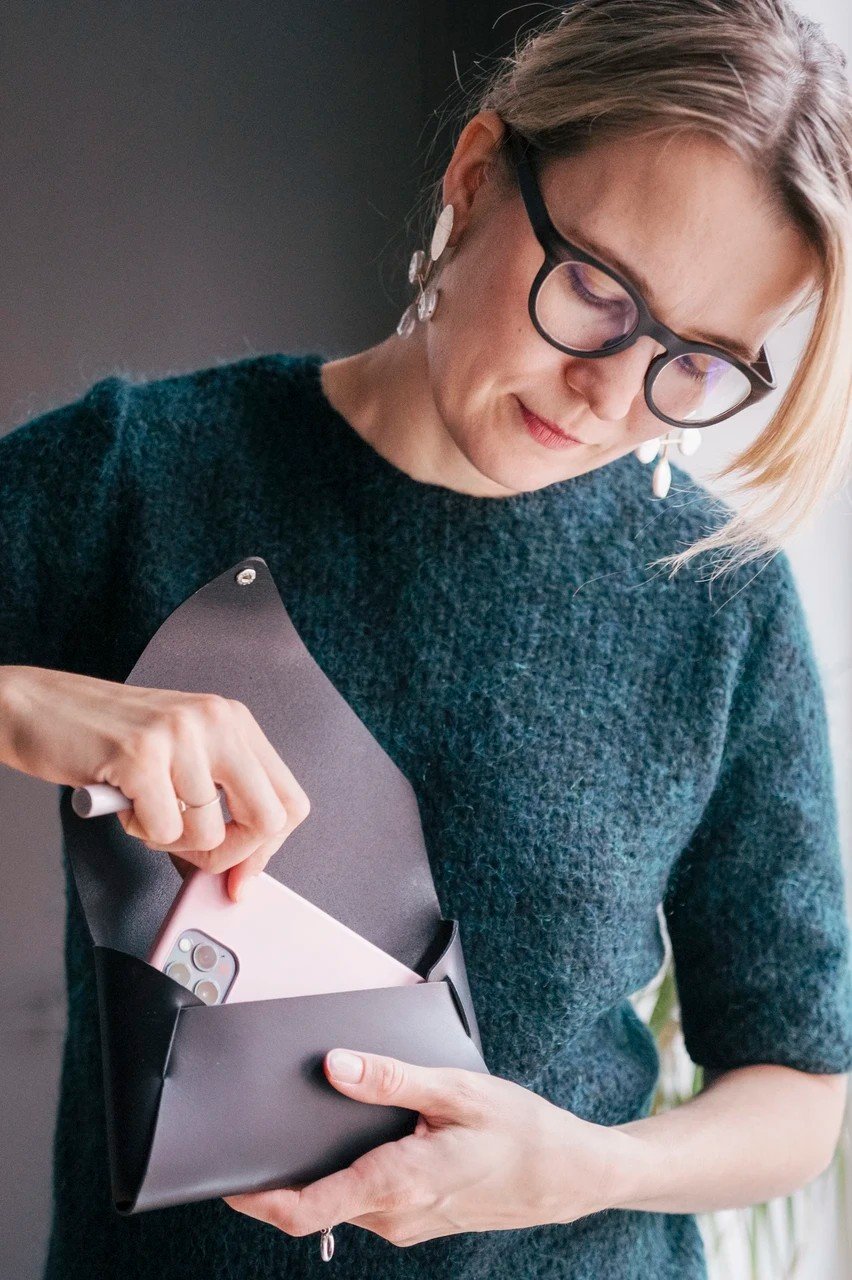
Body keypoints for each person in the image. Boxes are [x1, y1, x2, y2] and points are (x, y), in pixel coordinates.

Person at [2, 1, 852, 1277]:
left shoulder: (717, 601)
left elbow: (799, 1083)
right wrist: (29, 704)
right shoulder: (142, 472)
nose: (616, 394)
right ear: (475, 175)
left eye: (699, 360)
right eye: (598, 292)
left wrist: (593, 1163)